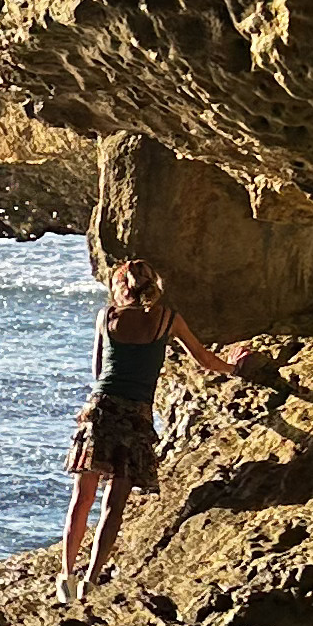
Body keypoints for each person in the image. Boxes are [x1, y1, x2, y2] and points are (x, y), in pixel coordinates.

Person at [59, 257, 248, 602]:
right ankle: (90, 580)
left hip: (101, 411)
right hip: (136, 418)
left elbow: (98, 369)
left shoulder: (107, 317)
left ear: (120, 287)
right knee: (114, 505)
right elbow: (204, 360)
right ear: (154, 287)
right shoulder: (167, 320)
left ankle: (65, 577)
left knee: (81, 499)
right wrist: (233, 367)